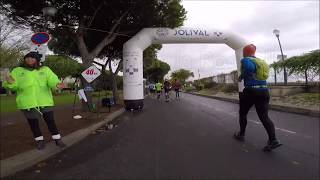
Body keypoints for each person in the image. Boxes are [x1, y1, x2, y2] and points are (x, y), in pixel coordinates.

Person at [3, 52, 66, 150]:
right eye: (27, 58)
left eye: (32, 58)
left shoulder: (45, 70)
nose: (29, 59)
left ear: (37, 60)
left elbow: (52, 81)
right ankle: (39, 141)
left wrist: (57, 85)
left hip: (45, 101)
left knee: (50, 121)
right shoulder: (17, 71)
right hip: (27, 103)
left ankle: (58, 139)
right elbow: (13, 86)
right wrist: (9, 83)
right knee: (33, 124)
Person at [234, 44, 282, 152]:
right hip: (264, 90)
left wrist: (241, 76)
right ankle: (273, 140)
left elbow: (249, 68)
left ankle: (241, 134)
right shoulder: (261, 62)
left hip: (251, 91)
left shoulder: (245, 59)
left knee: (243, 113)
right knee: (264, 117)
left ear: (245, 52)